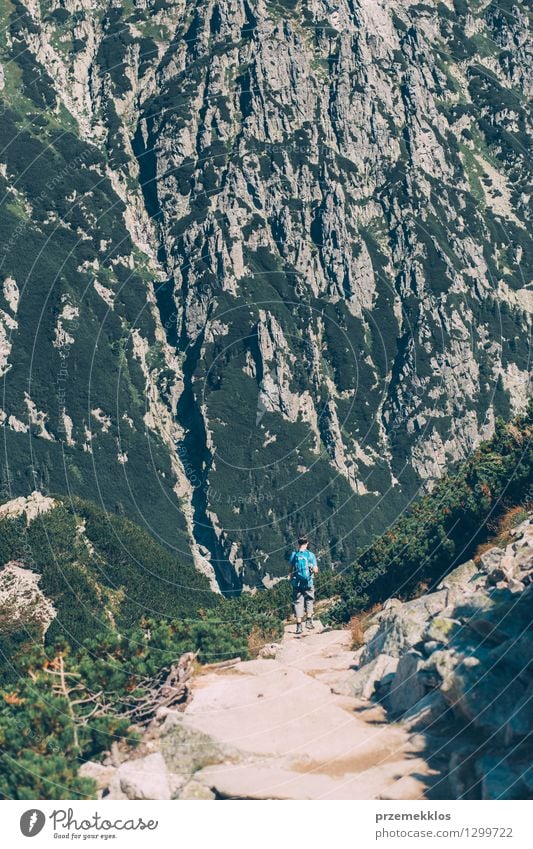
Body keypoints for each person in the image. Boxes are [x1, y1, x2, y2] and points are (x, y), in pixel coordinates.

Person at [289, 534, 318, 634]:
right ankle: (309, 622)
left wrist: (291, 578)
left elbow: (291, 569)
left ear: (298, 543)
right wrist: (312, 569)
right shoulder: (311, 555)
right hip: (308, 582)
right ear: (307, 543)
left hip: (297, 583)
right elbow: (316, 570)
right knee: (309, 600)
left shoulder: (294, 555)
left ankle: (299, 626)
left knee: (298, 603)